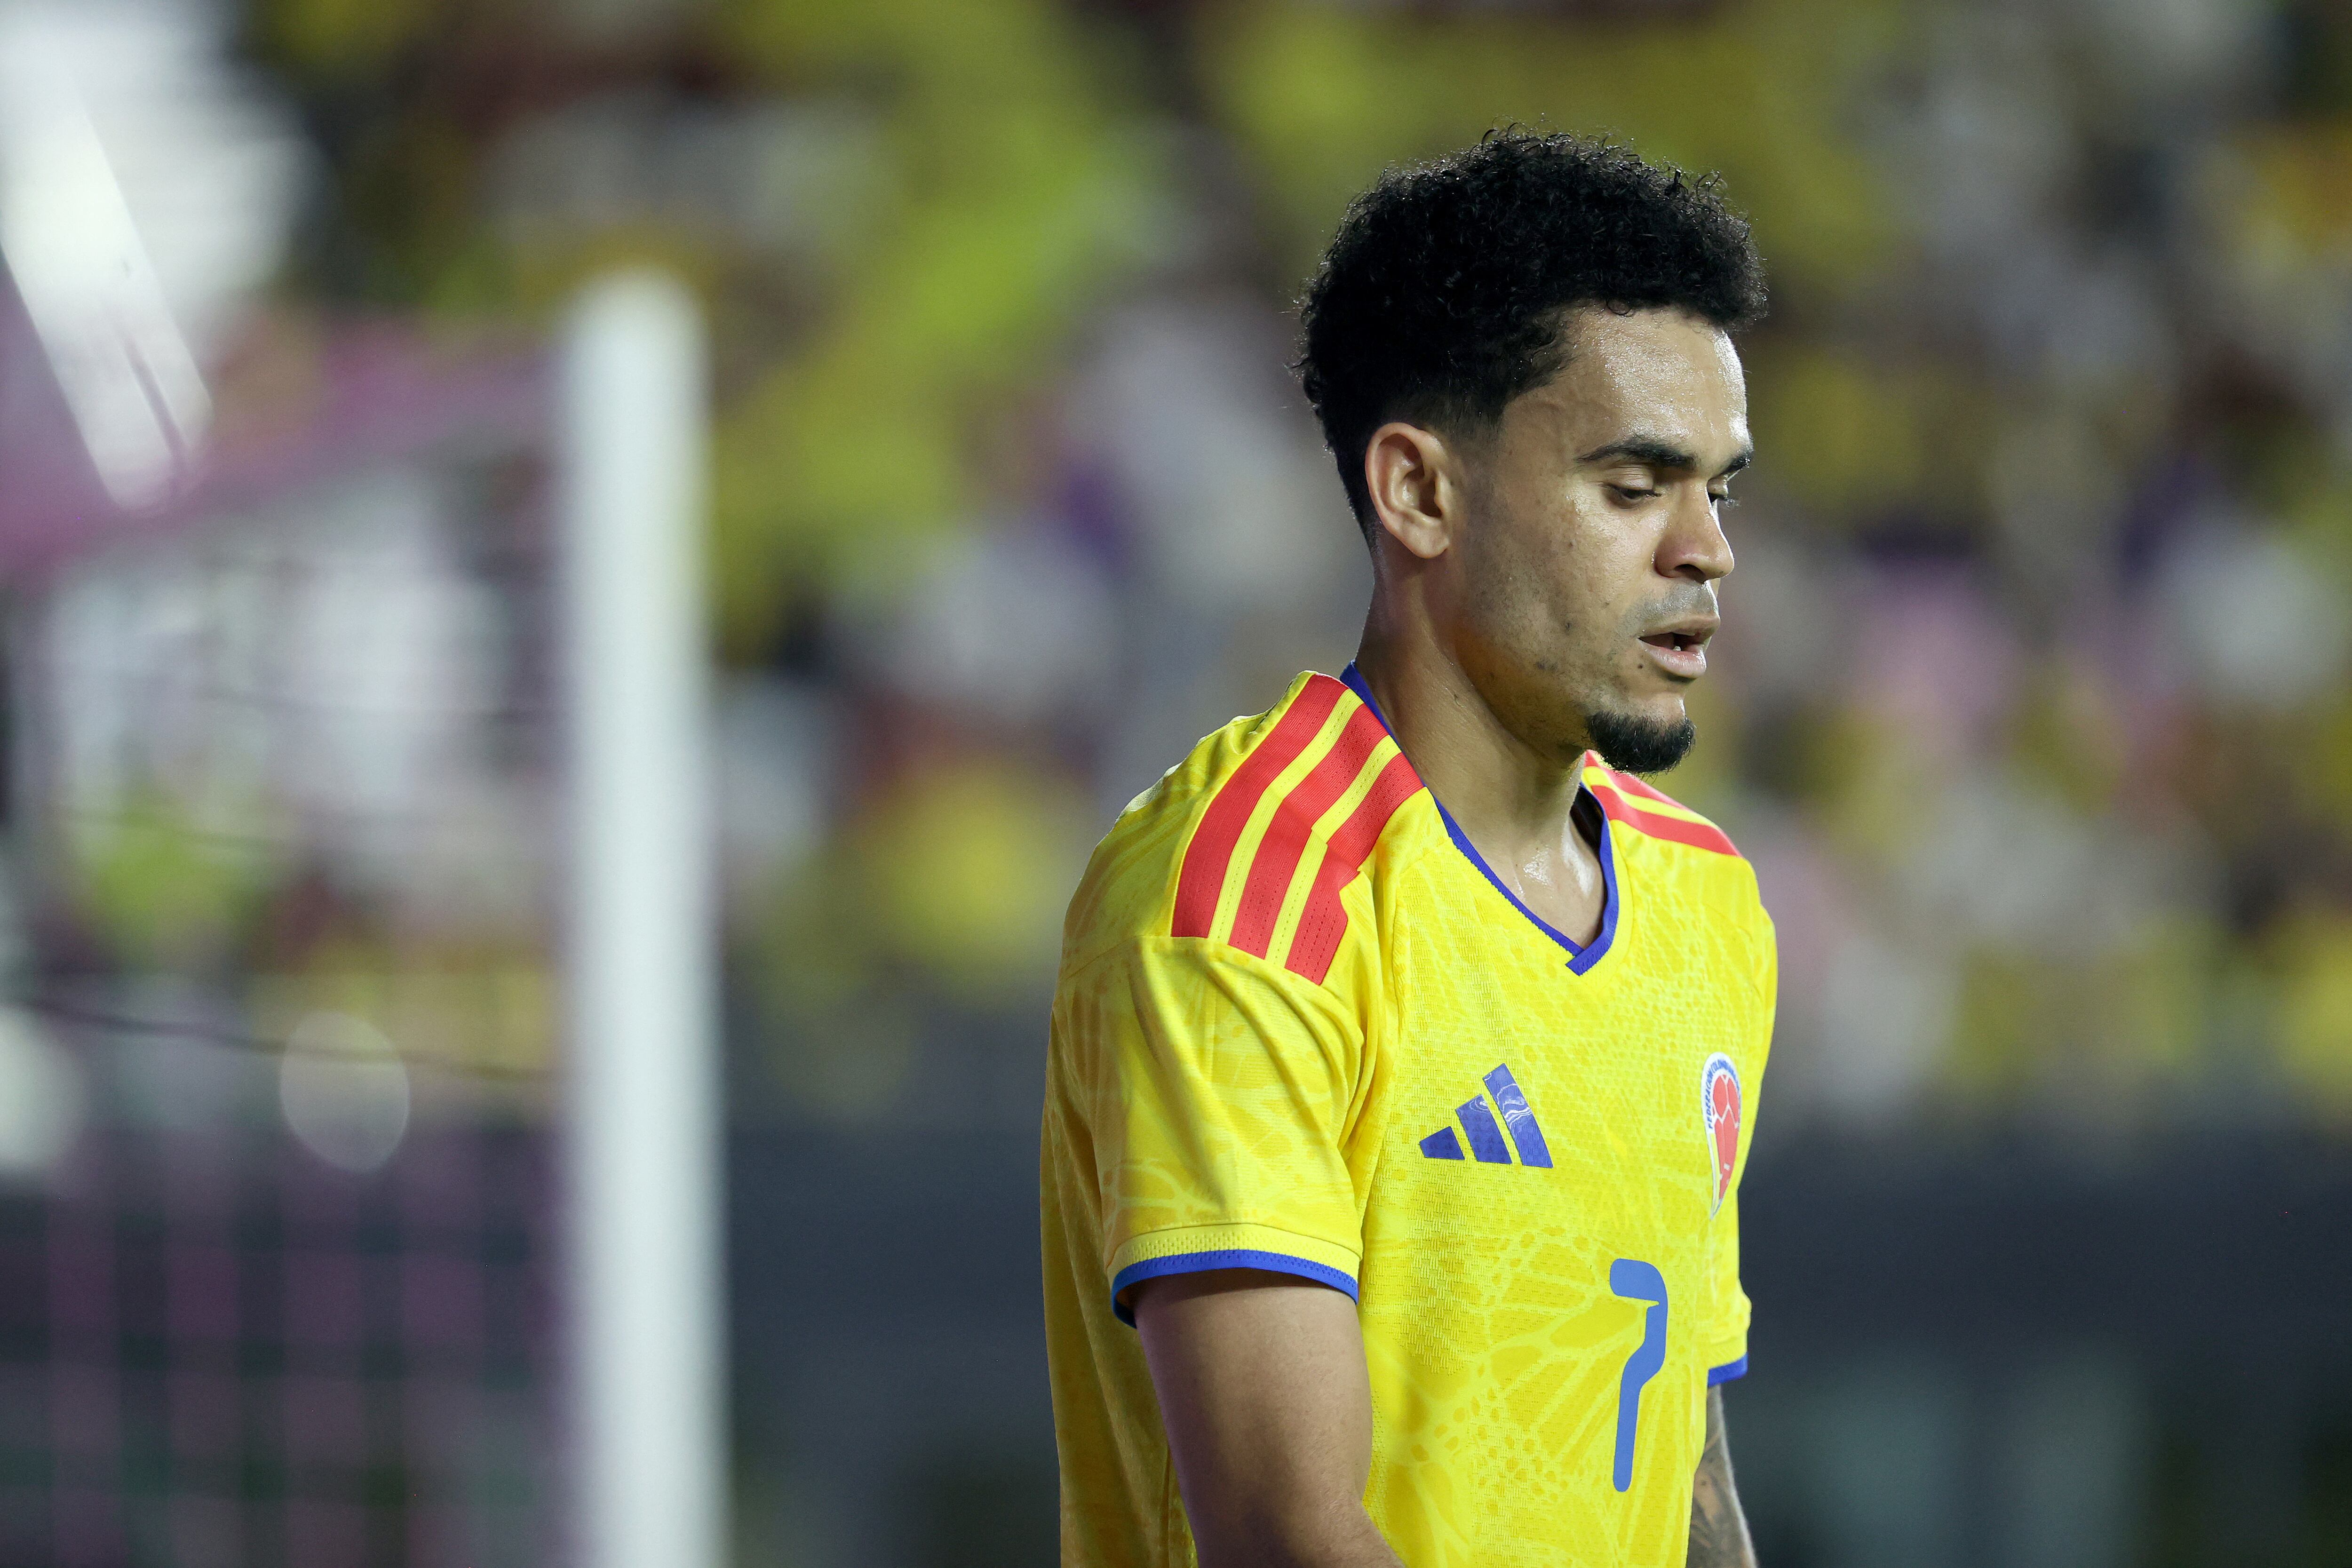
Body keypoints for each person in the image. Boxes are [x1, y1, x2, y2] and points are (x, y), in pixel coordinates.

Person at [1041, 130, 1774, 1568]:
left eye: (1721, 491)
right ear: (1419, 493)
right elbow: (1291, 1536)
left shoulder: (1706, 904)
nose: (1707, 550)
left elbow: (1688, 1479)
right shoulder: (1247, 901)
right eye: (1636, 486)